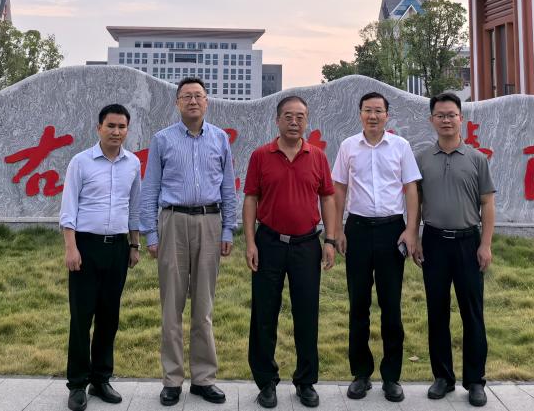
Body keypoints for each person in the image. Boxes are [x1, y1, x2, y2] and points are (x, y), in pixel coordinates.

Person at [139, 77, 237, 406]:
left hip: (210, 222)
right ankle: (171, 380)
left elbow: (227, 188)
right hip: (173, 222)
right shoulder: (162, 140)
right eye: (186, 96)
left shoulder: (220, 138)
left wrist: (228, 230)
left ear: (207, 102)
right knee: (172, 307)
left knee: (204, 308)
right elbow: (150, 188)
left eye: (198, 96)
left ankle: (204, 378)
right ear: (177, 102)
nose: (193, 101)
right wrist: (151, 233)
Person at [243, 95, 338, 409]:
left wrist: (330, 240)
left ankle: (305, 382)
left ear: (307, 120)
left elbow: (327, 197)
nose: (294, 122)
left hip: (306, 245)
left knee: (307, 314)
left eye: (300, 117)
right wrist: (250, 242)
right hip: (269, 243)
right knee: (264, 315)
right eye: (288, 116)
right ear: (277, 120)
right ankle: (266, 382)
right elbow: (251, 199)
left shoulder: (317, 156)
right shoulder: (261, 155)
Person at [331, 92, 421, 403]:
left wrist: (411, 230)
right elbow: (339, 188)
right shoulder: (348, 146)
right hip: (357, 229)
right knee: (358, 304)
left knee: (391, 305)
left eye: (378, 111)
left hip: (391, 230)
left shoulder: (400, 146)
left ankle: (392, 377)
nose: (373, 116)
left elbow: (411, 188)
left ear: (387, 115)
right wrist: (337, 229)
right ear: (360, 114)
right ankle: (361, 374)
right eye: (368, 110)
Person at [413, 92, 496, 408]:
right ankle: (443, 377)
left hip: (467, 243)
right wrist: (415, 236)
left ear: (461, 118)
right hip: (434, 242)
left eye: (451, 115)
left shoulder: (476, 159)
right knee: (436, 312)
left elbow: (487, 204)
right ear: (432, 120)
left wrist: (485, 244)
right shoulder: (422, 158)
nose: (446, 120)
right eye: (440, 115)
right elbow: (415, 202)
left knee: (472, 313)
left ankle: (475, 381)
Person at [59, 104, 142, 411]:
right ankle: (77, 384)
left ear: (127, 130)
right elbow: (69, 208)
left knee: (109, 317)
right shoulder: (81, 162)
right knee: (82, 318)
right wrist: (71, 247)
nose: (116, 132)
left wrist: (134, 245)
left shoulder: (132, 164)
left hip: (117, 248)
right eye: (111, 126)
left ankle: (101, 378)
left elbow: (134, 207)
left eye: (122, 127)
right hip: (86, 247)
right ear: (99, 128)